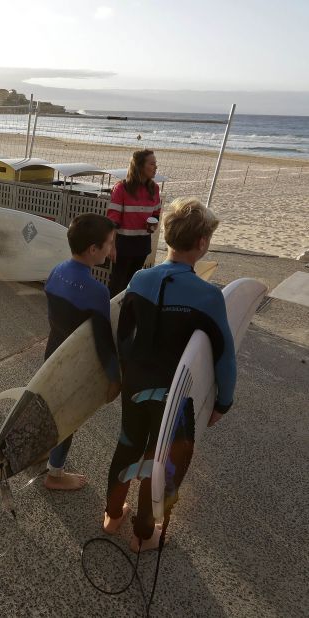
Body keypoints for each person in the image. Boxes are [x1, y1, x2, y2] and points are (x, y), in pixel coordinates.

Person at [103, 197, 234, 552]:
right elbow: (224, 356)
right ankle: (143, 535)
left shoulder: (140, 278)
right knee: (161, 461)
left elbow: (123, 334)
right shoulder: (209, 296)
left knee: (128, 445)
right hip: (173, 397)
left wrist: (124, 375)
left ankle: (112, 516)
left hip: (135, 385)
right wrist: (223, 401)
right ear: (202, 243)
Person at [42, 214, 120, 490]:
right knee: (68, 417)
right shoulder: (96, 291)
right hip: (75, 366)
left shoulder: (55, 271)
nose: (112, 250)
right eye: (109, 244)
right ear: (93, 250)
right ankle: (55, 473)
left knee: (49, 406)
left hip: (51, 354)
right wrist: (114, 378)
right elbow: (103, 342)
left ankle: (42, 453)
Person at [107, 149, 161, 296]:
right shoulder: (121, 188)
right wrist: (111, 246)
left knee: (132, 284)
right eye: (152, 163)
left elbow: (156, 213)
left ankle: (125, 315)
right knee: (117, 283)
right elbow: (113, 220)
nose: (156, 167)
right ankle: (109, 314)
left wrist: (153, 225)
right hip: (123, 244)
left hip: (142, 243)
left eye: (156, 163)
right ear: (140, 166)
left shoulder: (154, 189)